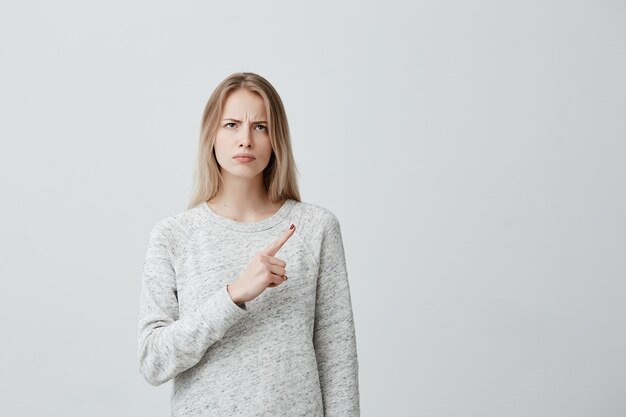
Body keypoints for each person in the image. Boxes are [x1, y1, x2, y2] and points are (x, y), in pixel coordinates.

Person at [136, 72, 360, 416]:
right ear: (211, 134)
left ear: (276, 139)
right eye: (231, 125)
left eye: (260, 127)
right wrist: (232, 296)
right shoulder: (174, 236)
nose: (245, 139)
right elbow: (154, 362)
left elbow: (338, 361)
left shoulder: (316, 228)